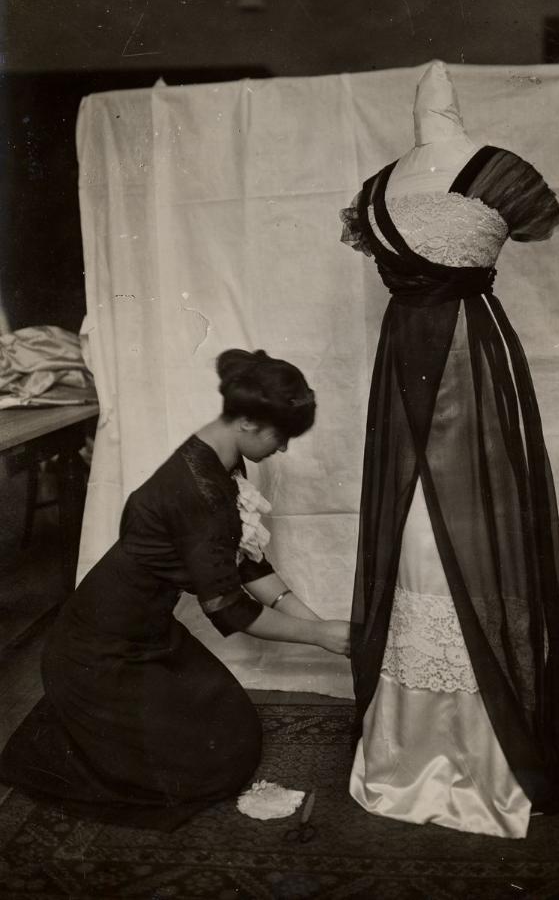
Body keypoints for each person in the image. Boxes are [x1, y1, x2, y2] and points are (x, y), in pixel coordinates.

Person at [340, 61, 559, 838]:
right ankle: (424, 734)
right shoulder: (377, 188)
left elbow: (532, 222)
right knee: (416, 531)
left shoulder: (497, 174)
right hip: (421, 364)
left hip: (466, 363)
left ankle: (483, 733)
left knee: (479, 524)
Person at [0, 349, 350, 831]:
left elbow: (248, 563)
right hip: (97, 653)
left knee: (236, 730)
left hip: (146, 635)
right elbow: (230, 610)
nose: (284, 448)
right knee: (210, 770)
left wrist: (322, 625)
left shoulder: (217, 458)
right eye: (282, 435)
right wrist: (321, 636)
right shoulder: (197, 490)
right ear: (247, 421)